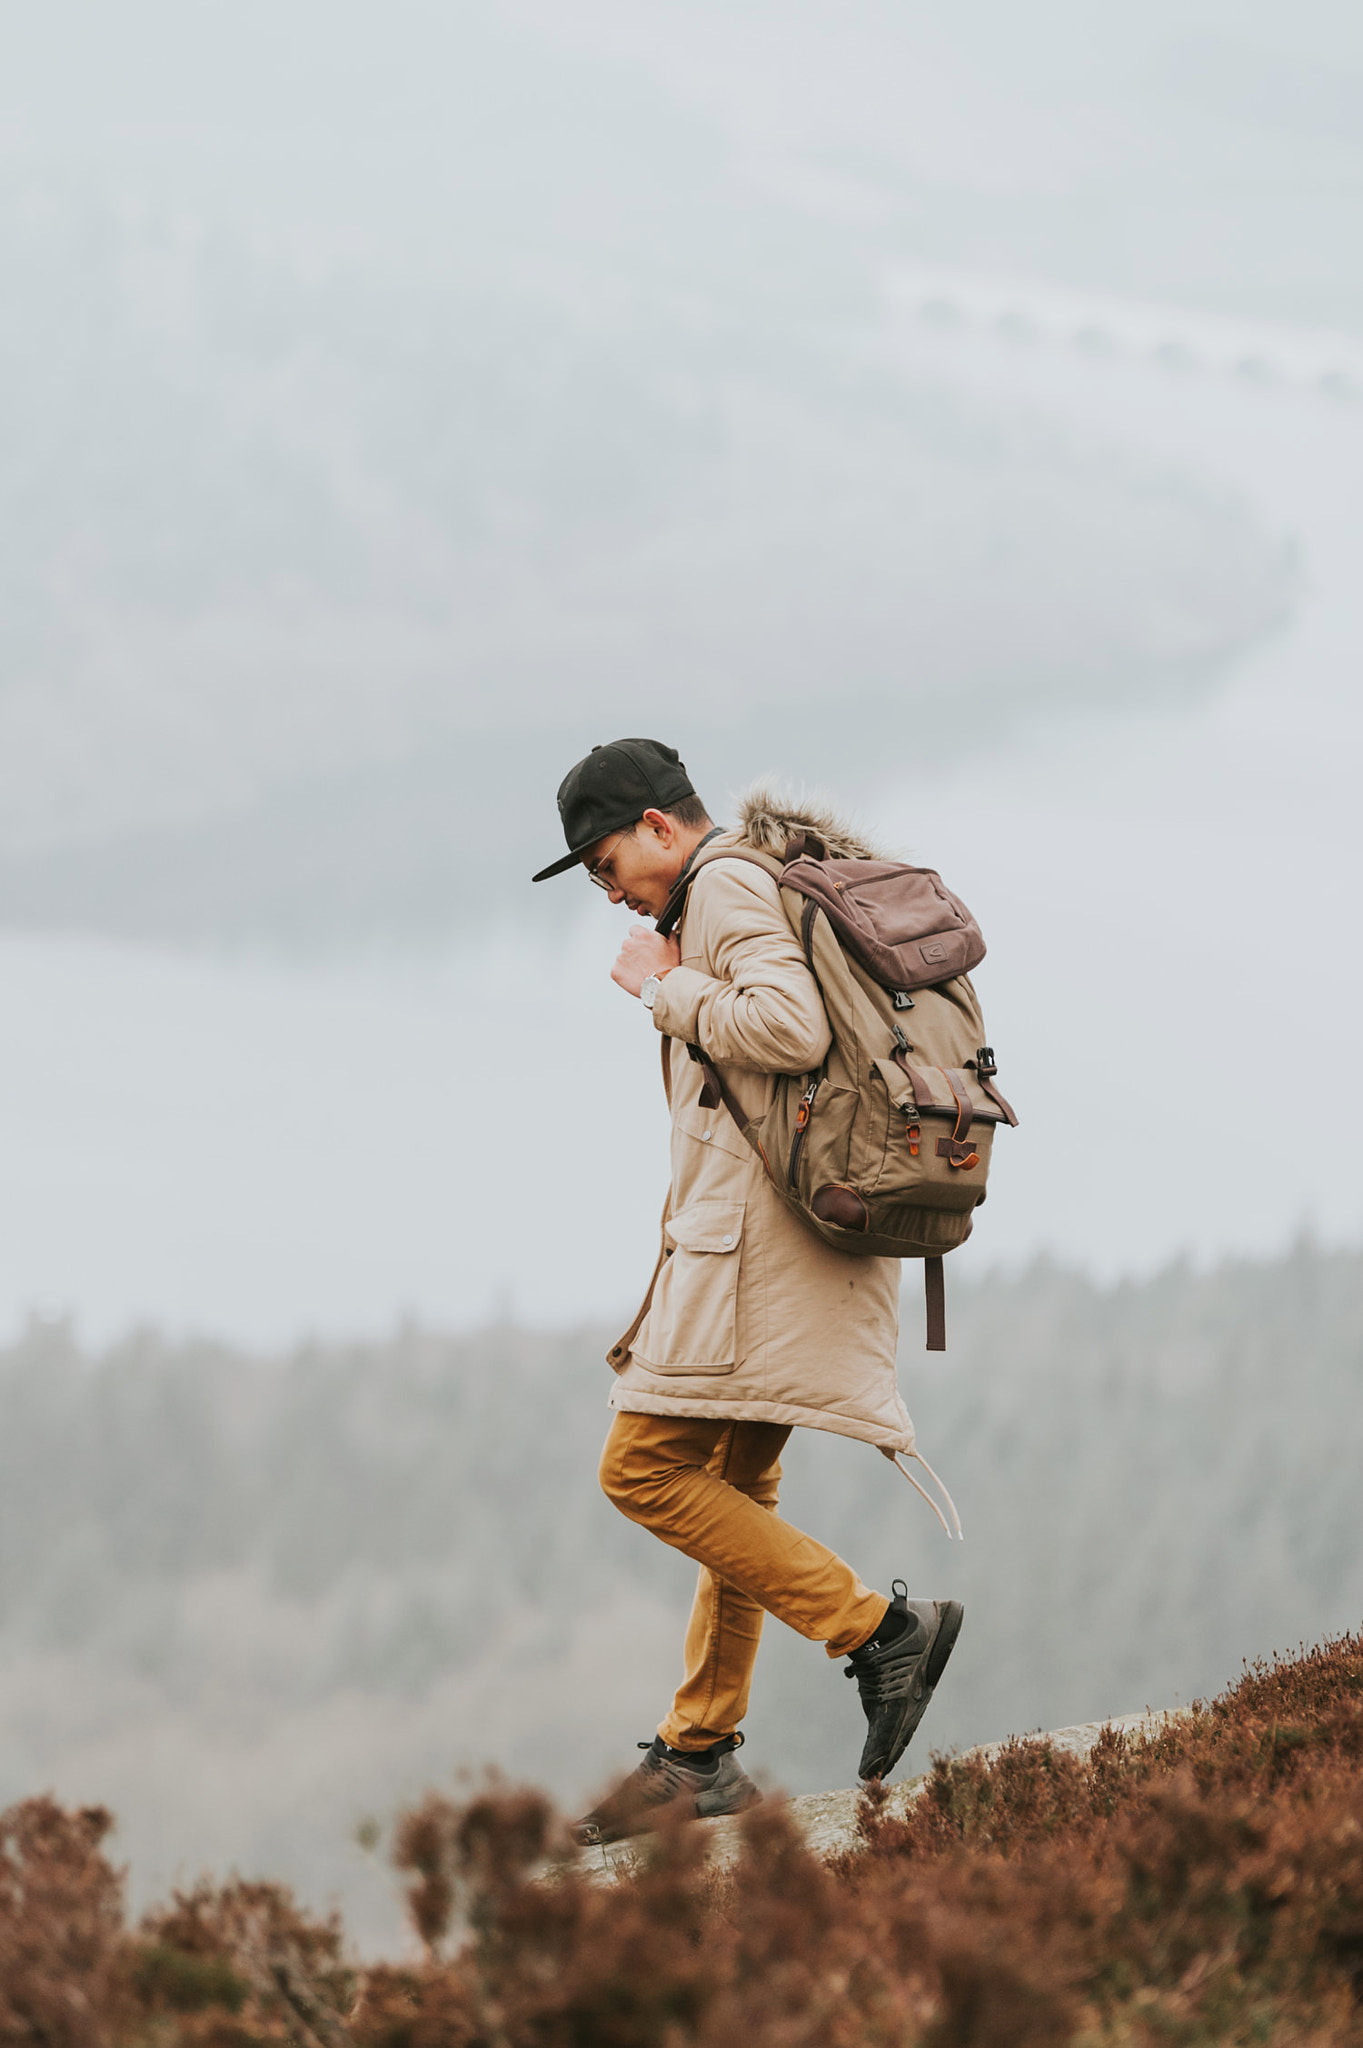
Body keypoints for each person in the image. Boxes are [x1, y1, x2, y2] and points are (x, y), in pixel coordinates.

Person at [532, 738, 963, 1844]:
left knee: (639, 1469)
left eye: (604, 859)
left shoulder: (719, 885)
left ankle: (877, 1629)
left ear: (660, 828)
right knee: (733, 1487)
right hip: (787, 1238)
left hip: (755, 1258)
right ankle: (696, 1752)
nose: (607, 886)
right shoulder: (745, 878)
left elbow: (786, 1025)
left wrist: (660, 985)